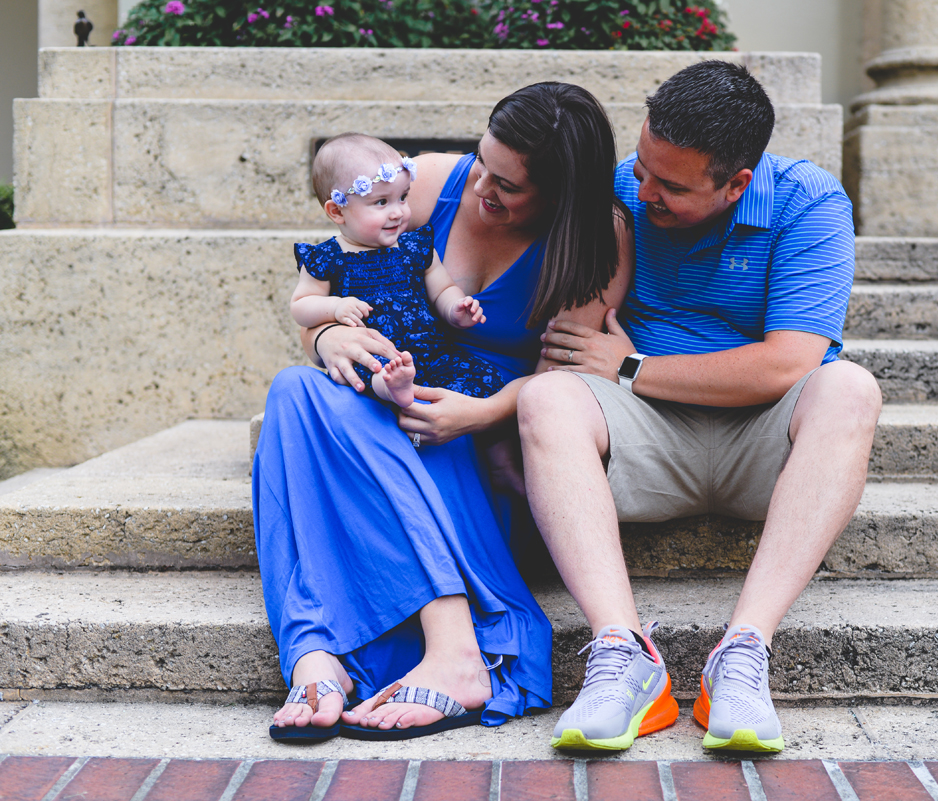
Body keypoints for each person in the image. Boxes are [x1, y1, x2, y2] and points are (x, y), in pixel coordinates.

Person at [518, 60, 882, 754]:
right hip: (643, 438)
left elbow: (787, 364)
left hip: (762, 447)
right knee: (546, 398)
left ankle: (742, 654)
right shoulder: (624, 186)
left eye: (671, 185)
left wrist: (629, 364)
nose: (642, 187)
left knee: (849, 386)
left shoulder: (811, 204)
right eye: (644, 165)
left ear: (736, 183)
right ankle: (624, 653)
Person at [254, 81, 632, 742]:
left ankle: (454, 645)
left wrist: (479, 413)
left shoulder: (596, 237)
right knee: (293, 390)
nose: (483, 185)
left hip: (477, 429)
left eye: (507, 185)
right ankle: (315, 655)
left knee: (350, 426)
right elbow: (332, 285)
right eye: (483, 160)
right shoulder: (423, 181)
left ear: (558, 195)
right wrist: (325, 336)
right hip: (386, 393)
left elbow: (561, 377)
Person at [291, 134, 498, 410]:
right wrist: (334, 307)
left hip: (431, 353)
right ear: (337, 212)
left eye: (402, 197)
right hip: (375, 352)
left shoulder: (415, 247)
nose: (398, 212)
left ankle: (500, 450)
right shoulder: (327, 258)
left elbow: (443, 290)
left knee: (482, 378)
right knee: (372, 367)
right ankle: (394, 389)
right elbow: (301, 306)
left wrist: (456, 309)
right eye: (381, 202)